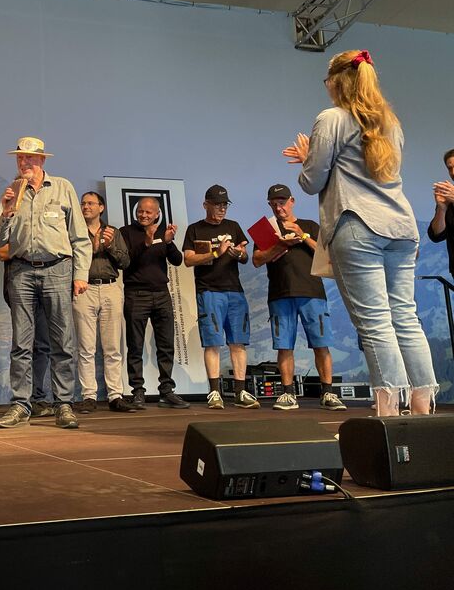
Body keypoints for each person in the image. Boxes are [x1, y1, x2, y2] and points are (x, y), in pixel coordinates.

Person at [285, 49, 438, 416]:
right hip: (401, 227)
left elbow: (311, 181)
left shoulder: (332, 118)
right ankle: (422, 410)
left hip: (357, 225)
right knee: (405, 316)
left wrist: (308, 157)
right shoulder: (392, 124)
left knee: (375, 323)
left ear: (337, 82)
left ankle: (387, 415)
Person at [0, 137, 91, 429]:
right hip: (21, 271)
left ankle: (63, 404)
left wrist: (81, 274)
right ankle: (21, 404)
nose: (25, 163)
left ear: (43, 161)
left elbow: (80, 236)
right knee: (21, 343)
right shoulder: (11, 192)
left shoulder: (63, 187)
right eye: (20, 158)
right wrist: (7, 212)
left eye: (30, 159)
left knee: (62, 341)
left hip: (58, 269)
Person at [251, 184, 346, 411]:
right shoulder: (266, 229)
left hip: (312, 292)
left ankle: (328, 393)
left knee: (321, 344)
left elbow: (327, 255)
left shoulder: (310, 225)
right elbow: (256, 259)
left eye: (282, 202)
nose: (279, 207)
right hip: (280, 293)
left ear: (292, 201)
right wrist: (279, 245)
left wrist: (302, 236)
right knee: (284, 346)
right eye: (274, 204)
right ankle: (288, 394)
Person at [183, 185, 258, 410]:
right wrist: (217, 252)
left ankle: (240, 391)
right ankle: (214, 392)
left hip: (235, 290)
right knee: (213, 342)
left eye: (224, 204)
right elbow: (188, 259)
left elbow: (245, 256)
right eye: (217, 204)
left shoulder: (233, 226)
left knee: (238, 342)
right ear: (205, 204)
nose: (221, 208)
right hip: (209, 290)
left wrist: (239, 253)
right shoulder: (195, 229)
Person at [119, 196, 188, 409]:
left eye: (149, 212)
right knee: (135, 345)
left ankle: (166, 390)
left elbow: (177, 260)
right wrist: (146, 243)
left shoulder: (162, 232)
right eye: (140, 211)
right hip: (135, 294)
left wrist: (167, 241)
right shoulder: (125, 232)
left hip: (161, 294)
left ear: (157, 214)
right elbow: (126, 261)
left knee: (166, 344)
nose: (143, 215)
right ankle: (138, 392)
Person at [73, 192, 131, 412]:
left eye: (90, 203)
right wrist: (94, 246)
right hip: (84, 288)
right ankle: (89, 396)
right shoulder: (74, 232)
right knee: (86, 347)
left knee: (112, 346)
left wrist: (109, 246)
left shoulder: (112, 232)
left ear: (101, 207)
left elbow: (125, 262)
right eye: (83, 203)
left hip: (110, 287)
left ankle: (115, 395)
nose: (86, 206)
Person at [0, 244, 54, 415]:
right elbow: (2, 252)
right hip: (20, 284)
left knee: (43, 345)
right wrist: (35, 249)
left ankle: (37, 398)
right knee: (22, 346)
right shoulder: (9, 217)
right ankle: (22, 401)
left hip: (48, 283)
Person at [427, 148, 454, 277]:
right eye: (450, 168)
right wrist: (441, 209)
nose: (453, 172)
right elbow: (436, 235)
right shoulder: (449, 196)